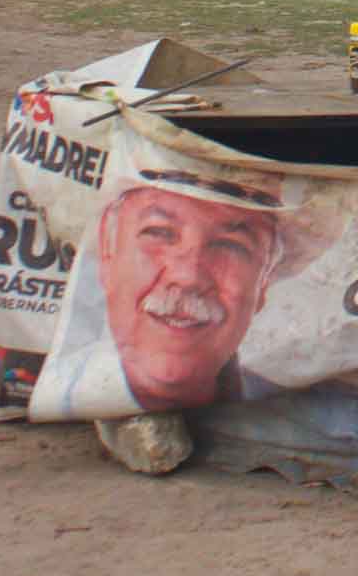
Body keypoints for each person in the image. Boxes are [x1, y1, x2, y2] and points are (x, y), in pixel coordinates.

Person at [89, 167, 294, 411]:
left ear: (264, 281)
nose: (189, 277)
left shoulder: (306, 417)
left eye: (230, 246)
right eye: (160, 232)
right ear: (107, 250)